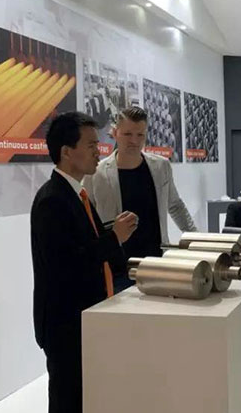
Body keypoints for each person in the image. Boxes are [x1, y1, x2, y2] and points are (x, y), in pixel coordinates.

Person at [31, 112, 138, 413]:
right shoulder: (52, 200)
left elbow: (85, 242)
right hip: (65, 324)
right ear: (67, 151)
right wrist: (114, 238)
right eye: (91, 145)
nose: (98, 152)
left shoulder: (76, 193)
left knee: (84, 401)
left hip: (83, 318)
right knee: (67, 405)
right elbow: (66, 264)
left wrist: (113, 235)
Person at [83, 106, 197, 291]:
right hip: (118, 267)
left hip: (156, 262)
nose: (134, 141)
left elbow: (175, 206)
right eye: (127, 134)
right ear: (115, 133)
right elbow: (88, 219)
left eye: (140, 135)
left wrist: (196, 239)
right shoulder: (96, 173)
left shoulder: (161, 167)